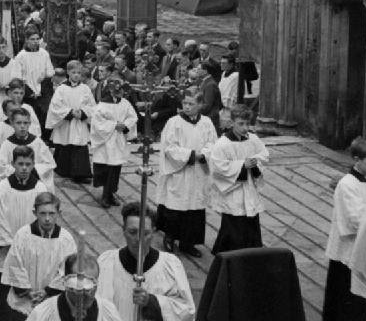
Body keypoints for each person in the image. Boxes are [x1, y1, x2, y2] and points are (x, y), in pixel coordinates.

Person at [96, 202, 195, 321]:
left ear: (153, 232)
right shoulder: (107, 263)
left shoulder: (170, 265)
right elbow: (96, 305)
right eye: (132, 232)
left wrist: (152, 302)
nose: (138, 239)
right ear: (124, 231)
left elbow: (187, 311)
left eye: (145, 233)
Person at [0, 145, 49, 321]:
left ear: (33, 164)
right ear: (13, 164)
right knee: (3, 283)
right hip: (7, 247)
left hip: (31, 246)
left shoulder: (40, 189)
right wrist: (9, 243)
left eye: (28, 164)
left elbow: (45, 216)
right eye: (20, 164)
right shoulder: (3, 188)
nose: (24, 168)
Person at [155, 90, 217, 257]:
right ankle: (170, 237)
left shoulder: (207, 123)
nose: (187, 107)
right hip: (180, 171)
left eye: (191, 104)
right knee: (176, 205)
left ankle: (188, 243)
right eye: (185, 104)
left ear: (200, 105)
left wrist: (204, 154)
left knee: (195, 208)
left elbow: (213, 144)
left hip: (198, 172)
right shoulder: (174, 122)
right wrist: (190, 155)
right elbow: (169, 147)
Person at [1, 192, 76, 319]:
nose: (47, 218)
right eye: (42, 213)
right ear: (35, 213)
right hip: (23, 303)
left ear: (59, 213)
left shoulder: (66, 240)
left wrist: (47, 292)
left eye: (51, 213)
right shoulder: (23, 236)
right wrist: (28, 292)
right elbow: (15, 266)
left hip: (51, 303)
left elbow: (68, 271)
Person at [208, 104, 269, 254]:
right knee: (233, 225)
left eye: (247, 124)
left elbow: (264, 155)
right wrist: (242, 165)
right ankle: (229, 255)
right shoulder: (223, 144)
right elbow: (218, 167)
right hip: (233, 192)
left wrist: (255, 162)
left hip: (249, 189)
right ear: (232, 122)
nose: (245, 128)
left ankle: (252, 254)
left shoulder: (253, 139)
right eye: (241, 124)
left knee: (251, 223)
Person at [322, 136, 366, 320]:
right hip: (347, 251)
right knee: (345, 299)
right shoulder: (347, 184)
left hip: (364, 248)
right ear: (357, 160)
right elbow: (355, 219)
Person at [26, 252, 123, 321]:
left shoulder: (108, 312)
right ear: (67, 284)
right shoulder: (43, 314)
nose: (88, 293)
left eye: (92, 284)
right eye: (80, 285)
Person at [90, 74, 138, 208]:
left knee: (115, 169)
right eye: (117, 90)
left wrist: (125, 125)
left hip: (118, 141)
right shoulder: (102, 105)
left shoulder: (125, 103)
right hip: (105, 142)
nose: (120, 92)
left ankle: (111, 194)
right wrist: (113, 126)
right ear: (110, 90)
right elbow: (97, 123)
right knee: (106, 169)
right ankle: (105, 195)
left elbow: (132, 116)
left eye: (121, 90)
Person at [47, 60, 95, 183]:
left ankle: (80, 174)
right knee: (65, 144)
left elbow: (92, 105)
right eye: (73, 72)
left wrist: (83, 113)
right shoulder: (61, 89)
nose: (76, 75)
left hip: (79, 122)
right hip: (66, 122)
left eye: (79, 72)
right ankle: (64, 170)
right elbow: (55, 107)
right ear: (68, 72)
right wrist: (70, 112)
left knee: (79, 145)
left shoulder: (85, 89)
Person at [0, 107, 56, 192]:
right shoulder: (7, 144)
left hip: (34, 185)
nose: (22, 126)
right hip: (13, 187)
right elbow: (1, 168)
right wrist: (18, 170)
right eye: (18, 123)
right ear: (12, 123)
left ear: (30, 123)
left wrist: (33, 169)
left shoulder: (37, 143)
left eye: (25, 123)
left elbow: (49, 164)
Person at [13, 30, 54, 132]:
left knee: (44, 116)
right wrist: (29, 92)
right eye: (32, 39)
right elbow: (17, 77)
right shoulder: (21, 56)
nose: (35, 42)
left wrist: (44, 77)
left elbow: (50, 71)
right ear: (26, 40)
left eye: (37, 39)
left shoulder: (44, 53)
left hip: (43, 92)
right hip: (28, 94)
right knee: (30, 117)